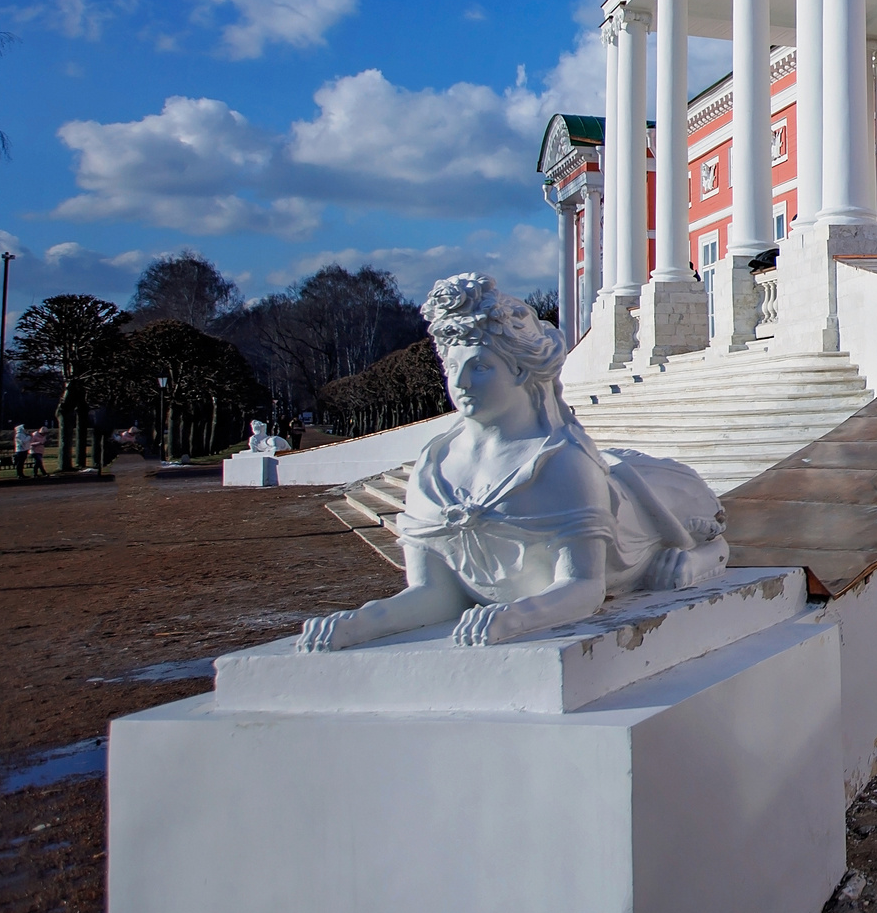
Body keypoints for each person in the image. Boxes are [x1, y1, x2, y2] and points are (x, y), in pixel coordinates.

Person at [299, 273, 728, 653]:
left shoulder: (562, 465)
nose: (461, 383)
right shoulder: (433, 469)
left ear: (522, 372)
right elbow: (436, 594)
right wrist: (363, 623)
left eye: (480, 367)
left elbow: (584, 587)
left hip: (643, 495)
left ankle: (705, 555)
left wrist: (517, 617)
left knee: (671, 513)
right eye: (452, 367)